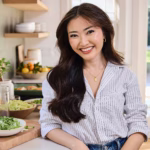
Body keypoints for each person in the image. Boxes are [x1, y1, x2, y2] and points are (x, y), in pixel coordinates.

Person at [39, 3, 149, 150]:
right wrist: (78, 145)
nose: (83, 42)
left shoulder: (125, 75)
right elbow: (48, 124)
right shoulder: (56, 78)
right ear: (67, 39)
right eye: (74, 35)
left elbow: (137, 121)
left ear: (104, 33)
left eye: (90, 32)